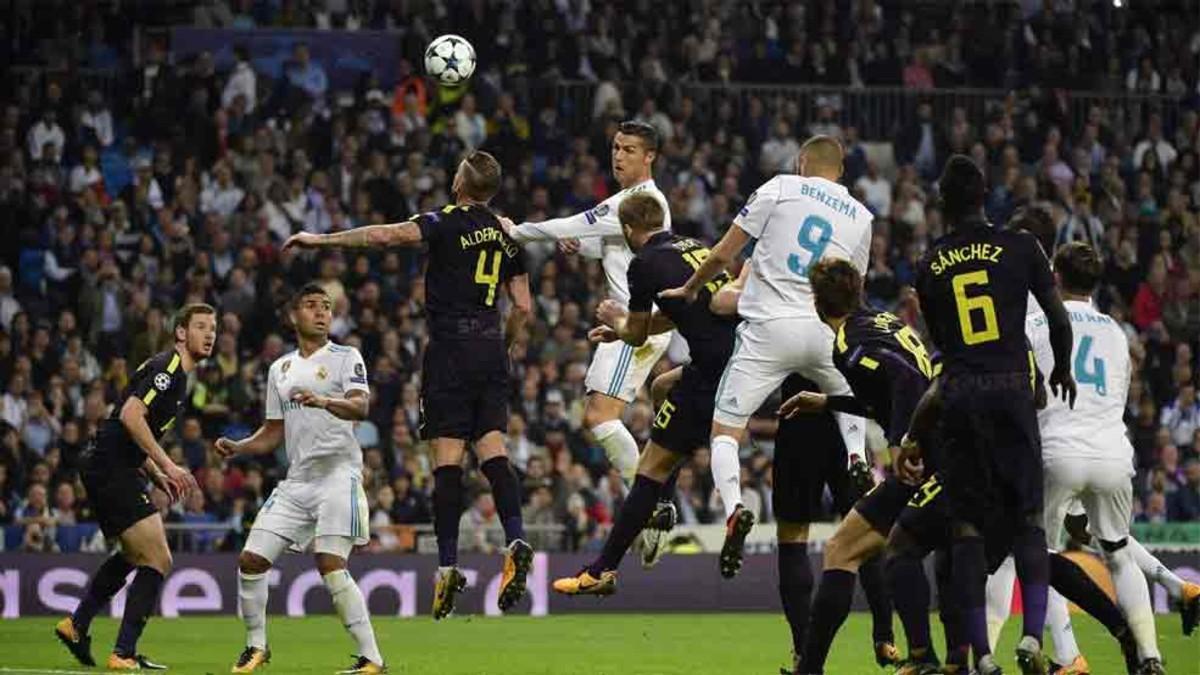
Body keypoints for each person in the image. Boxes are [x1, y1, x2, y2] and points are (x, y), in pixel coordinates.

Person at [284, 150, 534, 622]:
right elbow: (521, 305)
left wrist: (320, 240)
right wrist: (506, 346)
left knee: (447, 462)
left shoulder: (443, 220)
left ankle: (447, 567)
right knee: (494, 450)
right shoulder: (507, 233)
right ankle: (516, 536)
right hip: (490, 345)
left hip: (450, 349)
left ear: (461, 182)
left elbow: (384, 235)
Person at [660, 135, 873, 579]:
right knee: (847, 395)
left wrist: (691, 288)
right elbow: (854, 291)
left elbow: (723, 251)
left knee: (725, 431)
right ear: (841, 171)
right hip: (820, 327)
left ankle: (736, 507)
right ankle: (857, 457)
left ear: (801, 162)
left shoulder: (779, 187)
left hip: (767, 331)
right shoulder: (862, 216)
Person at [904, 155, 1076, 675]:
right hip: (1011, 392)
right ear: (986, 197)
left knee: (967, 531)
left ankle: (980, 655)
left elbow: (941, 343)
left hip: (961, 396)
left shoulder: (929, 264)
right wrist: (1062, 367)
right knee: (1027, 520)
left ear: (942, 207)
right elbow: (1057, 315)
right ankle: (1029, 636)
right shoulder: (1021, 247)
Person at [498, 120, 677, 563]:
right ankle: (653, 502)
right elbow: (619, 246)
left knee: (599, 416)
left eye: (630, 150)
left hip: (637, 321)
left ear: (650, 156)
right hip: (637, 319)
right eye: (616, 147)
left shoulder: (638, 199)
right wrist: (588, 248)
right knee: (596, 417)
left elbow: (573, 223)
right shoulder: (640, 206)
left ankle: (652, 503)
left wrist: (517, 229)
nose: (619, 156)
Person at [550, 192, 734, 595]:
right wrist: (621, 329)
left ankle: (602, 570)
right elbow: (672, 315)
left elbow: (634, 335)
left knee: (649, 468)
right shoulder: (693, 247)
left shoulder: (643, 264)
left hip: (712, 373)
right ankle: (667, 494)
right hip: (741, 358)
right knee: (663, 385)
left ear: (629, 230)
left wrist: (615, 319)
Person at [775, 258, 938, 674]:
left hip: (927, 457)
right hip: (949, 447)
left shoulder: (849, 343)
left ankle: (922, 659)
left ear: (816, 302)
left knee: (851, 549)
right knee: (880, 548)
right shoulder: (886, 322)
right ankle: (928, 657)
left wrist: (903, 442)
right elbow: (889, 388)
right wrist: (829, 401)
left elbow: (904, 381)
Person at [215, 284, 384, 674]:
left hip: (339, 475)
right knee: (251, 559)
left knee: (329, 563)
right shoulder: (281, 369)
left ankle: (372, 658)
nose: (322, 313)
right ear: (293, 317)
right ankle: (256, 647)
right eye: (311, 306)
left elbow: (361, 406)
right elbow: (274, 431)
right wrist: (240, 447)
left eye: (326, 307)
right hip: (298, 481)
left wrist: (326, 401)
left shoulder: (346, 357)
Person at [1021, 242, 1164, 673]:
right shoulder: (1118, 333)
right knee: (1118, 553)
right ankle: (1150, 658)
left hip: (1057, 450)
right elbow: (1121, 396)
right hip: (1112, 453)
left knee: (1037, 555)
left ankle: (1064, 655)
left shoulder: (1035, 323)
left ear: (1055, 278)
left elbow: (1026, 389)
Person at [54, 304, 214, 670]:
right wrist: (168, 464)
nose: (210, 334)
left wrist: (157, 475)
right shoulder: (169, 368)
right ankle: (122, 652)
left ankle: (76, 625)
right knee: (158, 558)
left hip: (110, 462)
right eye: (201, 326)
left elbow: (128, 429)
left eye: (213, 328)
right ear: (180, 333)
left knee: (134, 554)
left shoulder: (177, 376)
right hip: (110, 466)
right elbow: (129, 416)